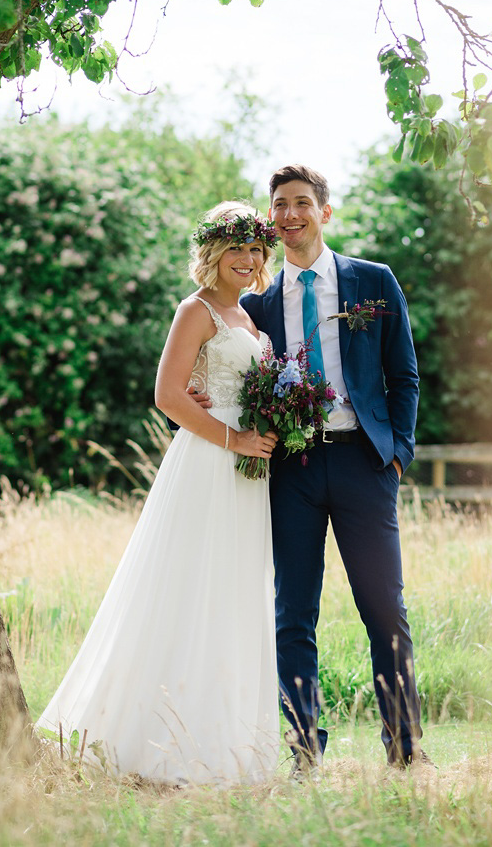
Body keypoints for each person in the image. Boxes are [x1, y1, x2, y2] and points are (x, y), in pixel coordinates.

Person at [36, 202, 281, 785]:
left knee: (233, 594)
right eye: (236, 249)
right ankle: (151, 743)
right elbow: (168, 396)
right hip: (210, 462)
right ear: (213, 254)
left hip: (249, 472)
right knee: (187, 588)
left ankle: (226, 744)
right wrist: (235, 438)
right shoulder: (194, 310)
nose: (246, 261)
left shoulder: (251, 320)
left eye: (254, 250)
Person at [240, 164, 426, 773]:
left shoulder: (373, 282)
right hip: (290, 470)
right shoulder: (256, 304)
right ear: (271, 219)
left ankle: (405, 749)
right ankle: (303, 753)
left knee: (383, 607)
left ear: (325, 212)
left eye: (300, 203)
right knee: (294, 612)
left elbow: (404, 375)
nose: (289, 215)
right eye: (279, 206)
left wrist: (397, 453)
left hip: (363, 463)